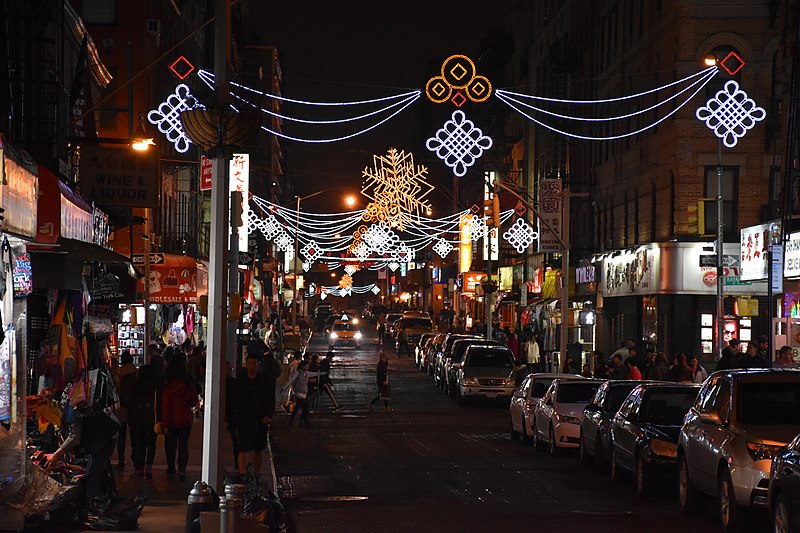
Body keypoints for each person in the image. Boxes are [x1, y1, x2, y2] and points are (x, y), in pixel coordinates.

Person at [232, 353, 276, 476]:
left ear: (258, 365)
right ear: (246, 364)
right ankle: (242, 474)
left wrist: (268, 416)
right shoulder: (241, 381)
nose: (251, 366)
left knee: (258, 448)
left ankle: (256, 474)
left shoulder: (264, 381)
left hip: (260, 419)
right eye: (249, 363)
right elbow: (235, 400)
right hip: (243, 419)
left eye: (254, 363)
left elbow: (271, 399)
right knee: (243, 448)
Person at [161, 353, 198, 480]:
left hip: (171, 420)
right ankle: (182, 470)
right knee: (183, 446)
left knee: (170, 445)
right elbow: (193, 402)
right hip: (185, 419)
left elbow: (166, 406)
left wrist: (165, 423)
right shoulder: (187, 384)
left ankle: (171, 467)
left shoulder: (167, 385)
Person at [128, 362, 158, 479]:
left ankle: (140, 467)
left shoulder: (136, 386)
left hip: (138, 418)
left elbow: (131, 403)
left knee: (140, 443)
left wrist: (130, 418)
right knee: (151, 443)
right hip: (151, 417)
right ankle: (149, 467)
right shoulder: (155, 386)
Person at [282, 359, 326, 427]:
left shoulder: (306, 373)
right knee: (306, 407)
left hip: (304, 393)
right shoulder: (297, 373)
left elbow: (314, 373)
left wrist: (324, 373)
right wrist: (283, 388)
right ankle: (303, 420)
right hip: (299, 393)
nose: (307, 368)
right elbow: (290, 380)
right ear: (302, 366)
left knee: (297, 408)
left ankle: (291, 421)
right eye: (306, 366)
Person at [113, 352, 137, 471]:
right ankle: (135, 458)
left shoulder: (118, 372)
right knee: (134, 433)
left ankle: (121, 460)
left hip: (122, 405)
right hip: (133, 406)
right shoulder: (135, 372)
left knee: (121, 434)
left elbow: (116, 389)